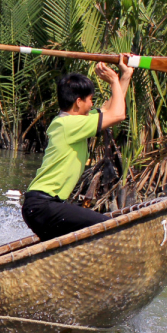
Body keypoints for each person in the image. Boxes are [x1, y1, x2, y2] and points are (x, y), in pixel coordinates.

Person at [21, 56, 134, 241]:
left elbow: (109, 110)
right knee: (109, 227)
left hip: (41, 207)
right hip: (44, 206)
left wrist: (125, 76)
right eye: (90, 100)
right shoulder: (69, 125)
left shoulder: (69, 122)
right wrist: (113, 80)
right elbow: (118, 114)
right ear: (79, 102)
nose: (92, 105)